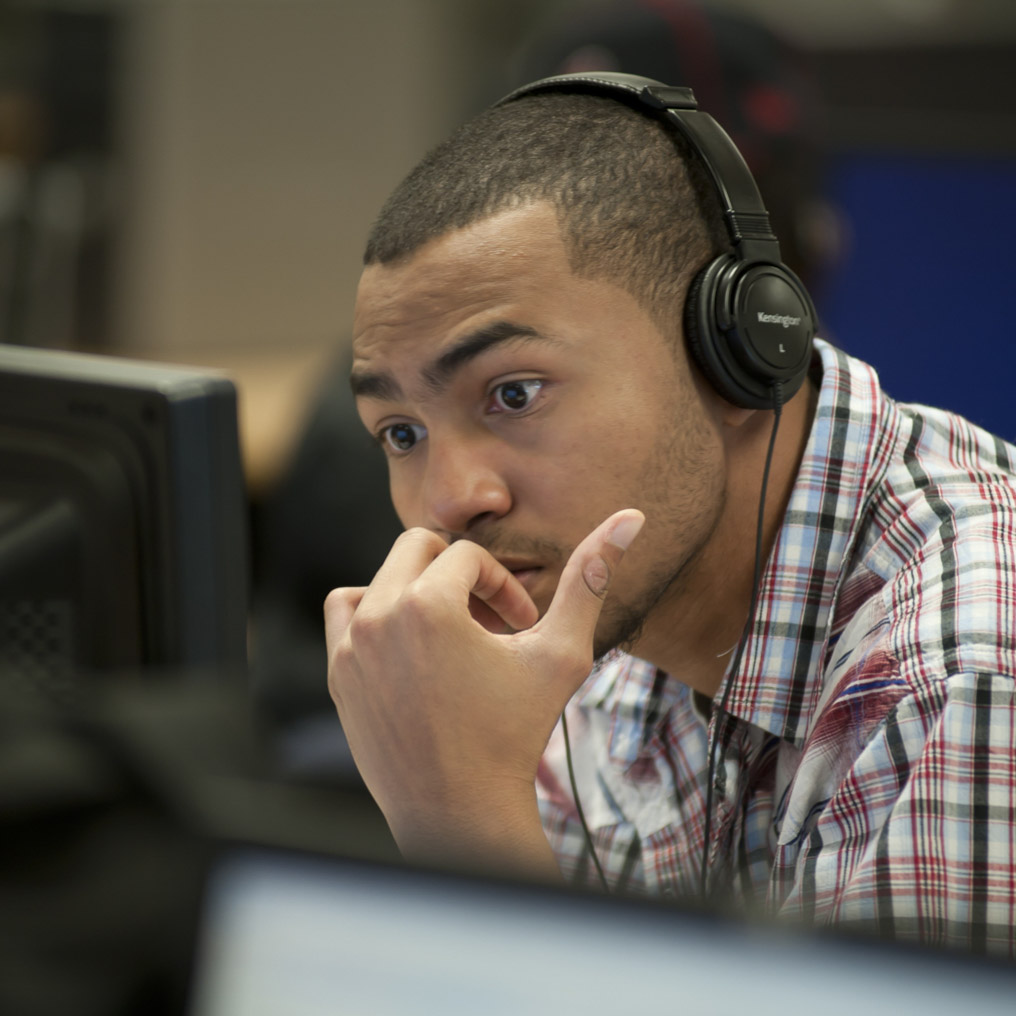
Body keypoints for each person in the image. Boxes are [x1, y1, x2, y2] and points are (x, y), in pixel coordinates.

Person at [324, 70, 1016, 956]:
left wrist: (458, 822)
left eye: (515, 393)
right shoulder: (610, 617)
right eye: (401, 432)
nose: (454, 501)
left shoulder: (959, 682)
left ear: (736, 358)